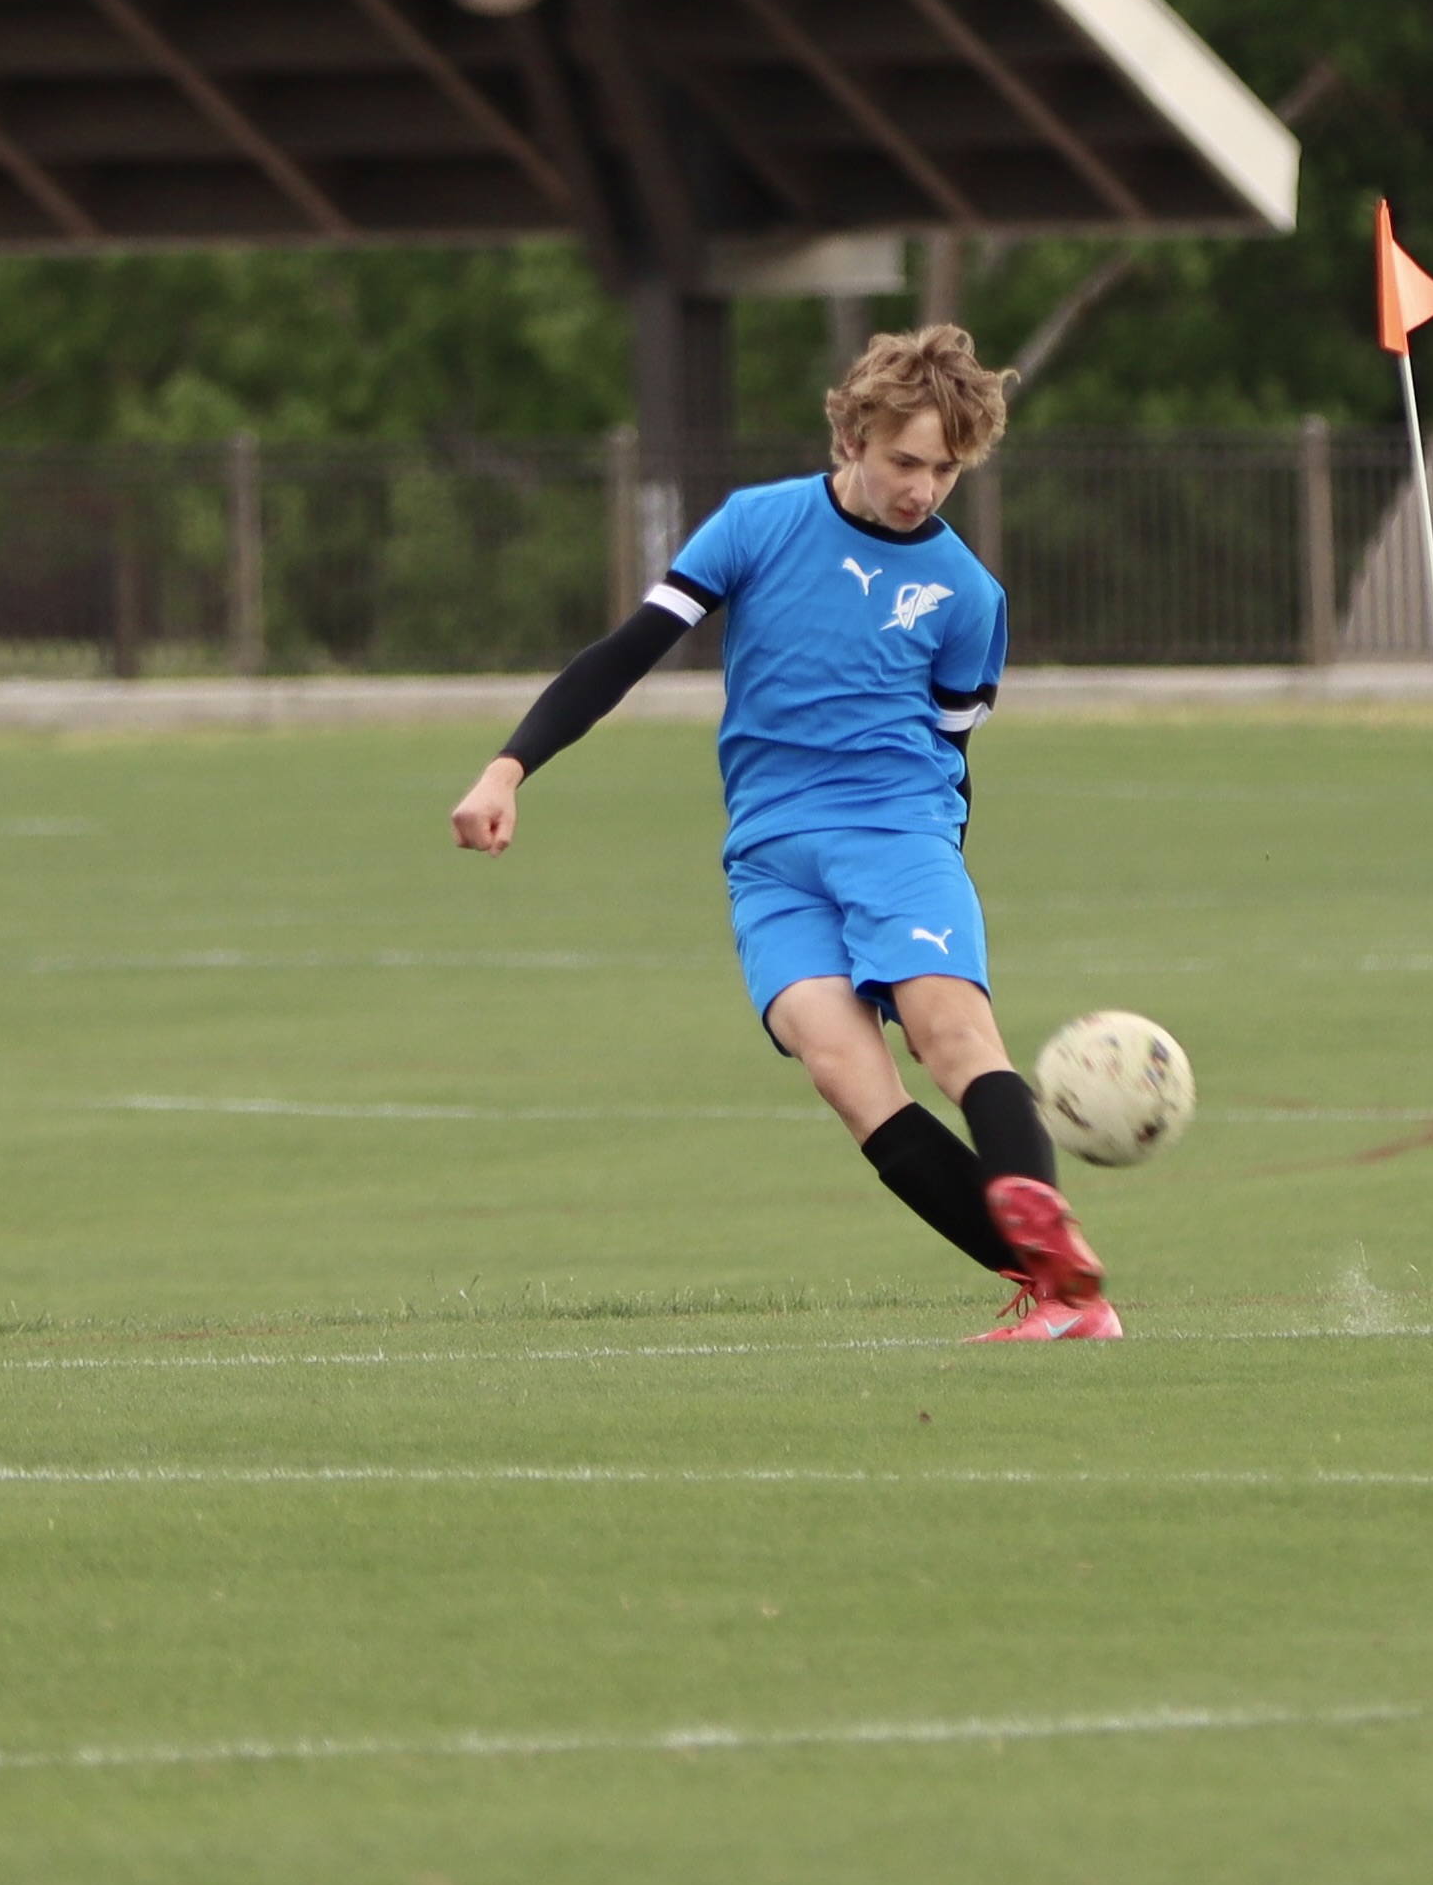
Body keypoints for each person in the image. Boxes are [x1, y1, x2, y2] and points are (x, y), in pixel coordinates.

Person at [446, 326, 1113, 1341]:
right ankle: (1062, 1291)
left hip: (896, 832)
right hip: (770, 856)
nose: (922, 488)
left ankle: (1049, 1239)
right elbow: (627, 651)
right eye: (904, 460)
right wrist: (508, 767)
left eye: (944, 469)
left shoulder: (968, 595)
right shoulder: (757, 524)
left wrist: (937, 881)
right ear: (852, 436)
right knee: (844, 1072)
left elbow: (952, 757)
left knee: (951, 1034)